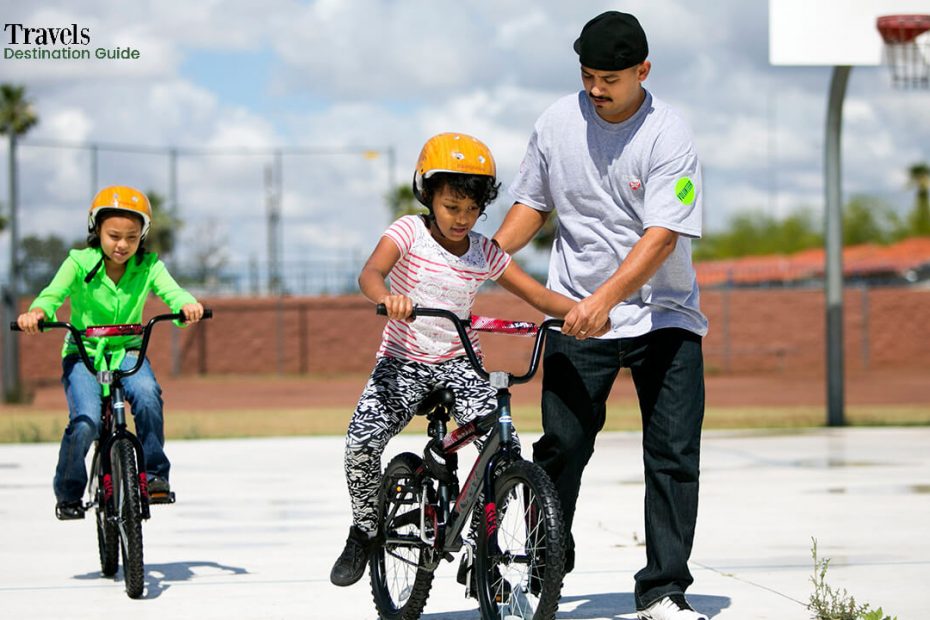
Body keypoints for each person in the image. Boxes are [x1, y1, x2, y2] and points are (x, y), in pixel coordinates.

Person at [493, 11, 709, 620]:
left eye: (610, 79)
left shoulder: (669, 135)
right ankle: (540, 577)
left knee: (671, 455)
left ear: (643, 71)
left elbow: (662, 236)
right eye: (588, 76)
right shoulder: (556, 124)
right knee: (560, 448)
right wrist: (486, 252)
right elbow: (531, 204)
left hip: (664, 318)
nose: (596, 89)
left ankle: (664, 591)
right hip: (575, 313)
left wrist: (604, 301)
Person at [330, 132, 578, 588]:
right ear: (428, 194)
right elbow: (370, 272)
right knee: (361, 444)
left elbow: (538, 294)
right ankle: (364, 531)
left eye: (472, 208)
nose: (462, 218)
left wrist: (584, 312)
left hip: (461, 364)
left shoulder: (484, 251)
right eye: (451, 206)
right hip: (403, 360)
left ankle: (481, 544)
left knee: (505, 452)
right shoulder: (407, 231)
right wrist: (387, 297)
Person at [17, 185, 205, 520]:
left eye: (131, 237)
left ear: (142, 236)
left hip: (128, 351)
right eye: (114, 235)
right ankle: (69, 491)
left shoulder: (149, 267)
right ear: (97, 231)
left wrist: (187, 306)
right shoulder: (78, 262)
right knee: (86, 422)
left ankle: (154, 475)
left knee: (148, 397)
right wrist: (38, 313)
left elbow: (173, 293)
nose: (122, 245)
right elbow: (52, 295)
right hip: (85, 354)